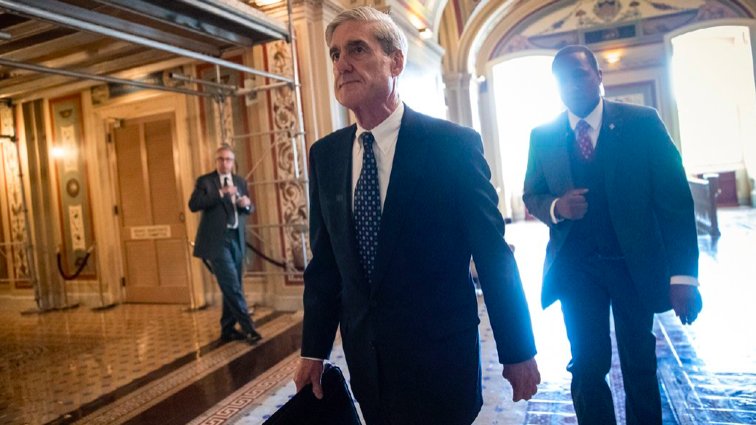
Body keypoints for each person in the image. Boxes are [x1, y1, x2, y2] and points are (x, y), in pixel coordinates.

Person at [294, 6, 540, 424]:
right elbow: (326, 265)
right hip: (369, 364)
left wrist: (517, 349)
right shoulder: (326, 155)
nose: (342, 64)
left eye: (357, 49)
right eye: (335, 54)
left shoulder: (452, 146)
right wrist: (313, 350)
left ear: (396, 62)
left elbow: (492, 253)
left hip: (441, 361)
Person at [523, 45, 702, 425]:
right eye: (562, 79)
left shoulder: (642, 123)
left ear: (598, 76)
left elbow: (674, 201)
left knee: (639, 361)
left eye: (579, 74)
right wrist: (557, 207)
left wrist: (683, 277)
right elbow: (532, 194)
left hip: (633, 265)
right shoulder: (543, 135)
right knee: (587, 365)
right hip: (577, 270)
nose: (572, 84)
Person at [189, 144, 261, 345]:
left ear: (233, 162)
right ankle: (249, 328)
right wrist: (221, 193)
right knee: (232, 285)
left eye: (228, 159)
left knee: (233, 284)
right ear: (216, 161)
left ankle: (228, 329)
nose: (224, 163)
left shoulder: (240, 181)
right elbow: (194, 204)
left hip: (236, 239)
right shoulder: (205, 181)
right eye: (220, 159)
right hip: (216, 242)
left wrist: (247, 205)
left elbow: (249, 208)